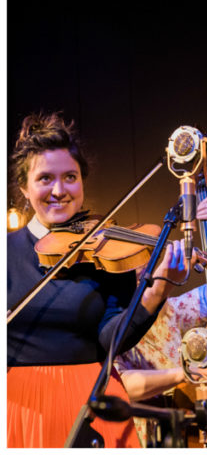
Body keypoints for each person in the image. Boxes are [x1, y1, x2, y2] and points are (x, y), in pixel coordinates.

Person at [7, 112, 188, 447]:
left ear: (82, 182)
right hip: (20, 404)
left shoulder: (106, 253)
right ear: (24, 188)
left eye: (70, 177)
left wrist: (158, 288)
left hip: (91, 397)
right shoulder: (7, 253)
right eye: (45, 178)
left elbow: (111, 339)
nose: (59, 190)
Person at [113, 197, 207, 442]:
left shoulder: (172, 309)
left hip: (179, 424)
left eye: (145, 263)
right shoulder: (114, 321)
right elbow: (123, 384)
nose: (141, 272)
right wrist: (184, 374)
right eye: (133, 268)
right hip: (139, 432)